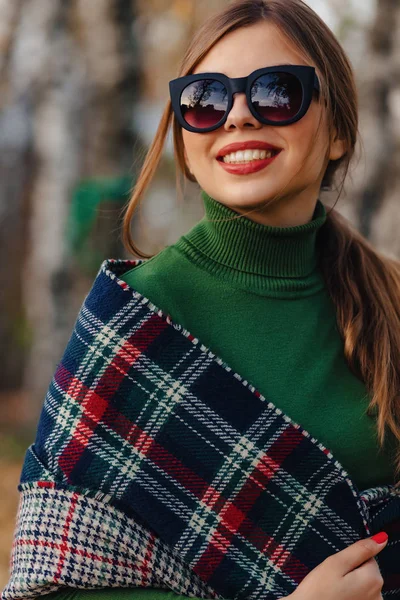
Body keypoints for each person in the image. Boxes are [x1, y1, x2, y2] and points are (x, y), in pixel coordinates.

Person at [3, 1, 400, 600]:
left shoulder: (392, 300)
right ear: (186, 141)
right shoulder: (129, 324)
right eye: (206, 100)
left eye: (275, 91)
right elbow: (56, 584)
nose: (237, 117)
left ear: (339, 130)